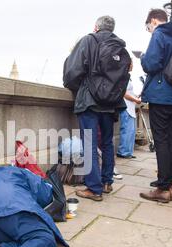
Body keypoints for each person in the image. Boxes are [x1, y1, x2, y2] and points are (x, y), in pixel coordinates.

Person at [63, 16, 127, 202]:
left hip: (90, 101)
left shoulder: (89, 40)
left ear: (96, 27)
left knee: (89, 144)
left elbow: (73, 71)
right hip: (111, 103)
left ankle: (94, 188)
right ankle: (107, 182)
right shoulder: (120, 47)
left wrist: (80, 88)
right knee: (107, 142)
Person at [139, 8, 172, 203]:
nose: (149, 30)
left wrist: (142, 57)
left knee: (162, 141)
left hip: (161, 94)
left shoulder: (159, 33)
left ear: (154, 21)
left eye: (148, 26)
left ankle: (163, 187)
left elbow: (151, 64)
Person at [117, 61, 141, 159]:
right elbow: (124, 94)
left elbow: (129, 92)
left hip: (130, 106)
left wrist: (136, 96)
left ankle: (128, 152)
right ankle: (123, 152)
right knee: (126, 130)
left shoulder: (128, 77)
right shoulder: (123, 76)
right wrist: (136, 99)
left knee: (131, 131)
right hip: (126, 106)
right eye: (132, 64)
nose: (133, 66)